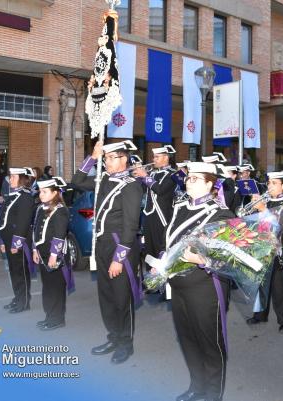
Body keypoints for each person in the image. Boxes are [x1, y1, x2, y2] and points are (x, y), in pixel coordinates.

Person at [163, 162, 235, 401]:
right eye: (188, 178)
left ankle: (214, 394)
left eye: (194, 178)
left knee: (209, 341)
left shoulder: (221, 214)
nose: (187, 181)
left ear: (209, 183)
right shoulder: (181, 208)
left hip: (206, 288)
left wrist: (200, 258)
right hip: (180, 287)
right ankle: (197, 386)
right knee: (188, 338)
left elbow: (230, 257)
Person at [73, 140, 143, 365]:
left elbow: (131, 225)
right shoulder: (104, 180)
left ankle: (126, 344)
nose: (107, 162)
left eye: (111, 158)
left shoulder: (131, 185)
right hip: (101, 247)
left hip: (119, 248)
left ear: (124, 159)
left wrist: (119, 258)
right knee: (106, 297)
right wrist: (92, 157)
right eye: (106, 158)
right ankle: (113, 337)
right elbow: (77, 181)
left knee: (122, 299)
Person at [247, 171, 283, 332]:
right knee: (261, 283)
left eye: (274, 183)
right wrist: (252, 209)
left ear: (282, 186)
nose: (270, 186)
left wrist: (263, 209)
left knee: (280, 286)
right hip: (262, 247)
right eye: (269, 183)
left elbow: (278, 225)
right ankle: (260, 314)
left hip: (280, 247)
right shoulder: (264, 201)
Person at [32, 177, 70, 331]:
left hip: (55, 255)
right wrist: (35, 249)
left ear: (55, 193)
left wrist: (54, 255)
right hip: (42, 254)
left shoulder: (60, 210)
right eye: (40, 191)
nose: (41, 194)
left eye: (45, 191)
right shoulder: (41, 208)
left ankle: (57, 319)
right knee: (47, 287)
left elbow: (59, 235)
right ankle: (49, 316)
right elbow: (36, 230)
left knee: (55, 287)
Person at [0, 168, 36, 313]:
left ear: (22, 179)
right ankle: (18, 297)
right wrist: (2, 241)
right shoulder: (13, 195)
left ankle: (23, 302)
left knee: (21, 272)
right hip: (8, 241)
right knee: (13, 271)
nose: (10, 179)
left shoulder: (25, 197)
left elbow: (23, 222)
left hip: (18, 242)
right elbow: (3, 220)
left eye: (13, 177)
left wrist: (16, 243)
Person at [134, 145, 177, 273]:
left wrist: (145, 176)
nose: (154, 159)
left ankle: (162, 278)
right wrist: (137, 177)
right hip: (148, 216)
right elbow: (141, 190)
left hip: (162, 217)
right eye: (154, 156)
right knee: (149, 249)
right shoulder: (152, 173)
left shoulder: (173, 174)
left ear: (166, 157)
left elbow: (160, 190)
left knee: (161, 248)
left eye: (157, 157)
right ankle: (150, 278)